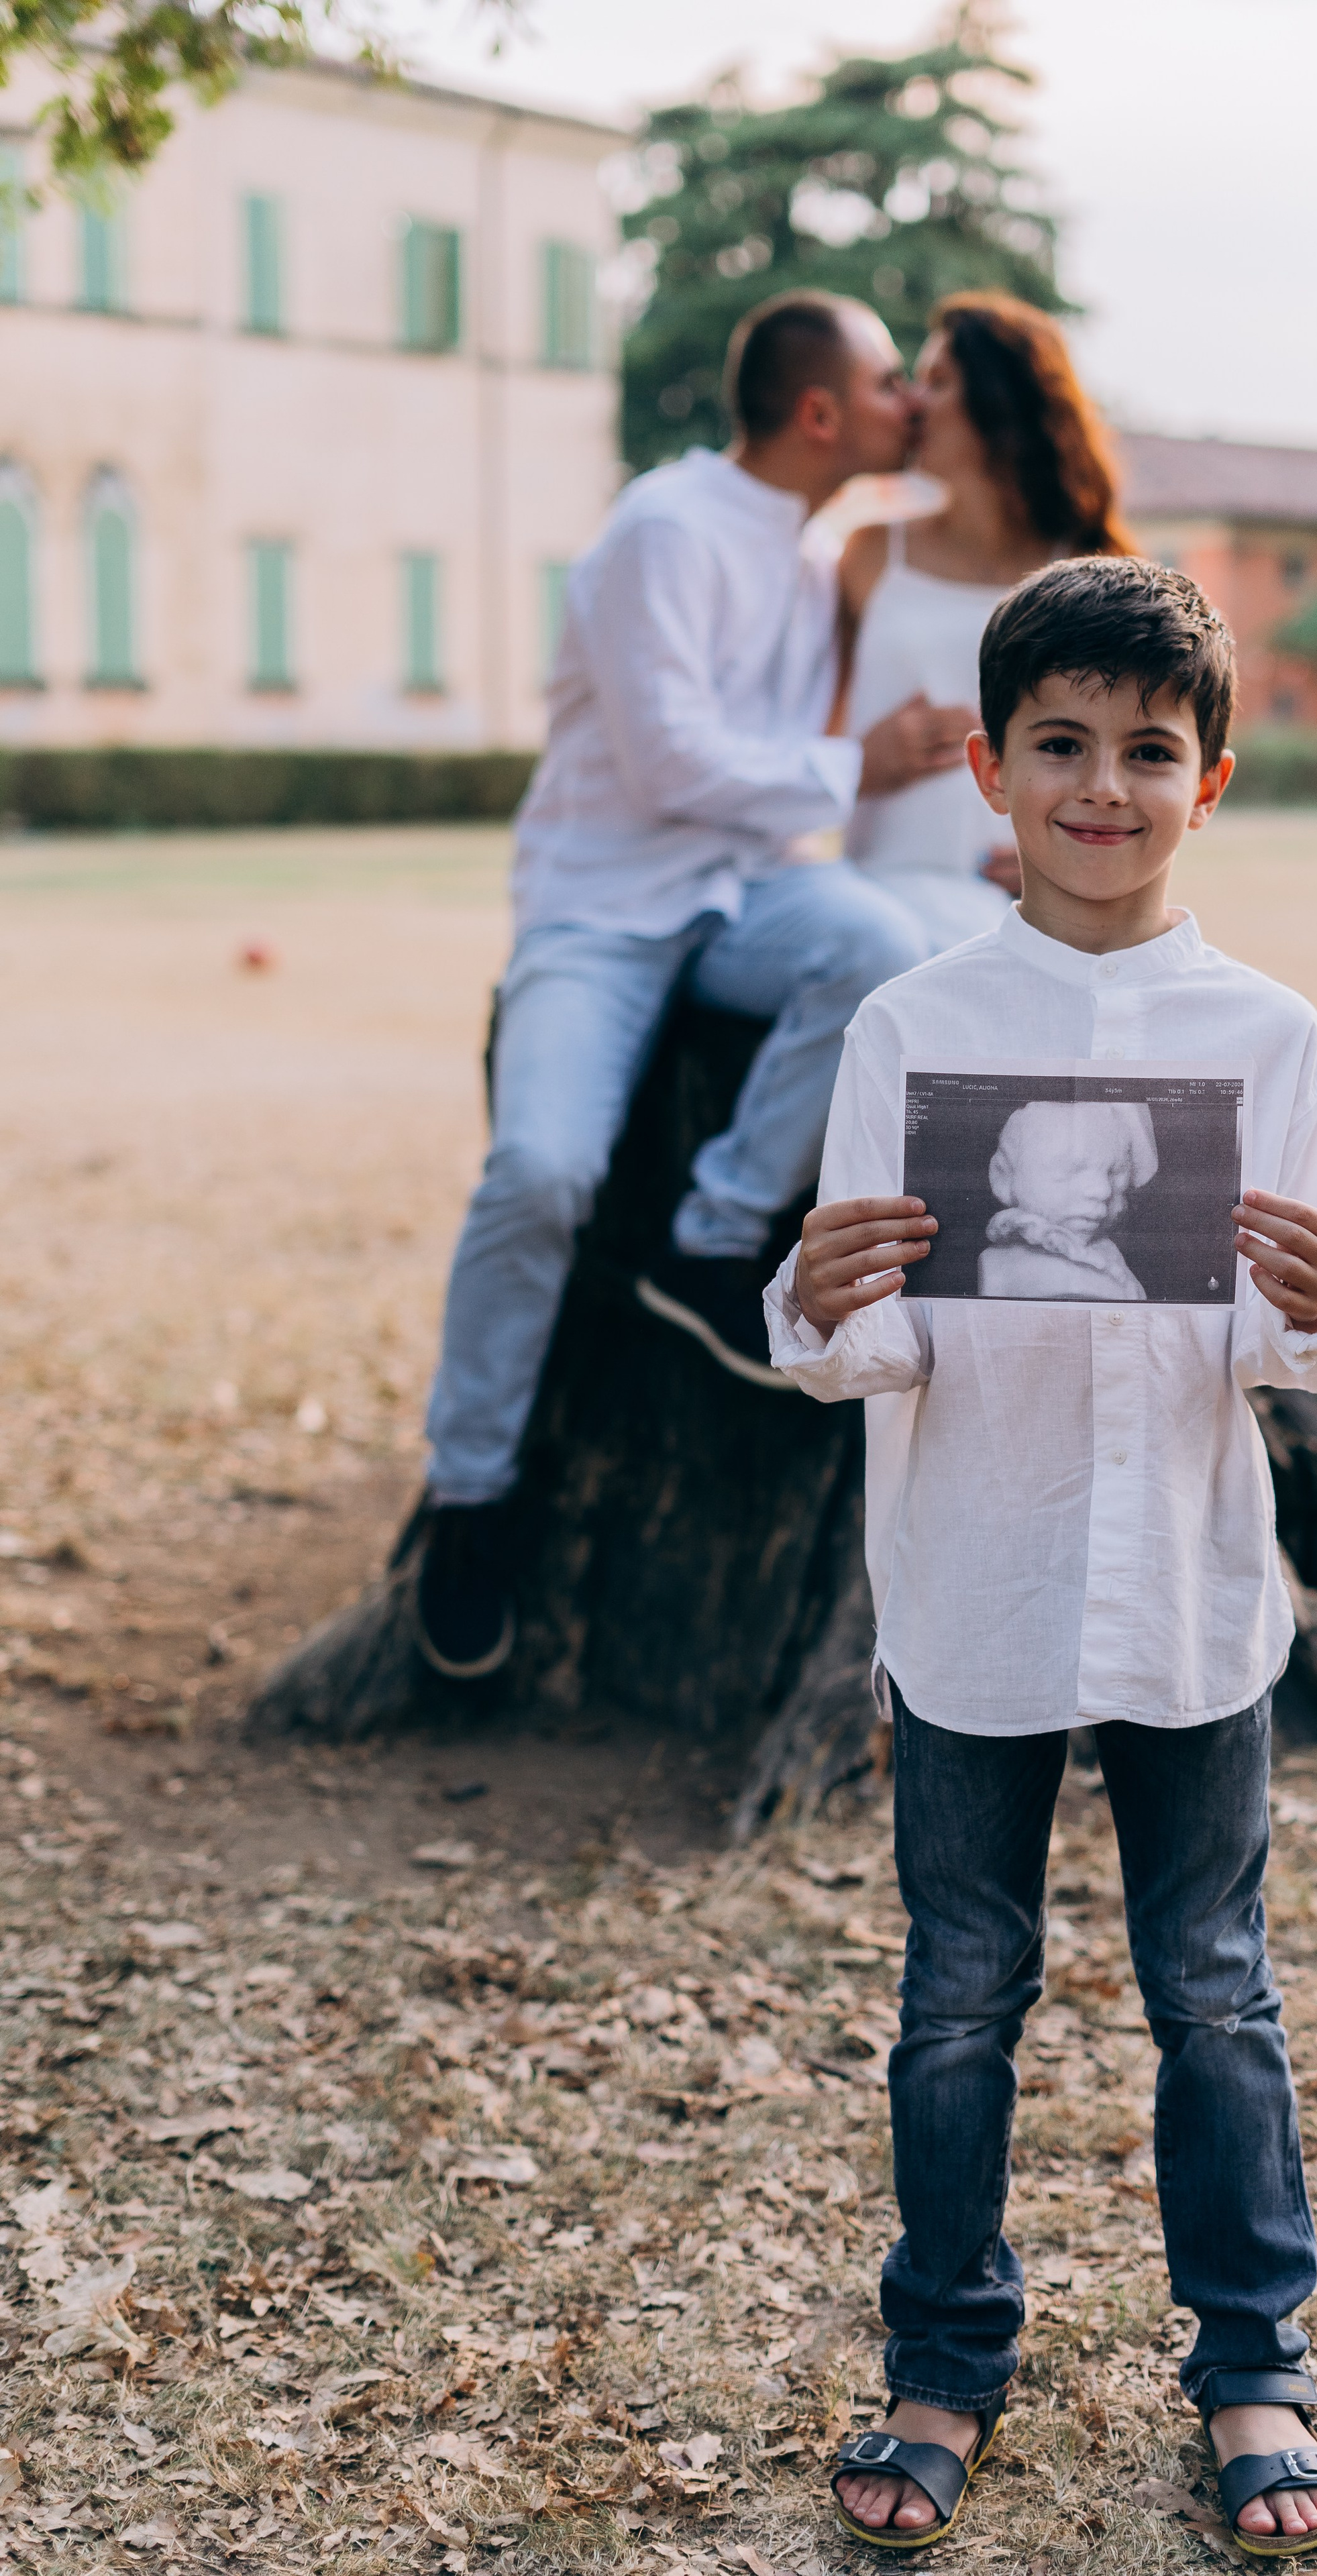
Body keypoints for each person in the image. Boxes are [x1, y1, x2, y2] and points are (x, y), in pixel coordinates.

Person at [766, 557, 1317, 2558]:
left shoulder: (1270, 1033)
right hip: (978, 1578)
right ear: (986, 768)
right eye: (1060, 744)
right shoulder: (912, 1027)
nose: (1101, 784)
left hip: (1192, 1588)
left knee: (1214, 1991)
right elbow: (852, 1339)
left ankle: (1254, 2364)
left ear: (1211, 779)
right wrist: (821, 1285)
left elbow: (1309, 1335)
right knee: (958, 1994)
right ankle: (941, 2353)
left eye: (1145, 748)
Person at [414, 290, 976, 1682]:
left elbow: (770, 787)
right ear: (819, 412)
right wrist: (868, 766)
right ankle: (466, 1494)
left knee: (879, 952)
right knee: (540, 1172)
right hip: (601, 910)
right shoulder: (663, 531)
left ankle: (713, 1238)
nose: (913, 401)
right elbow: (670, 764)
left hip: (743, 893)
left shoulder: (808, 549)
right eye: (894, 380)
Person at [837, 291, 1137, 953]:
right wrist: (862, 761)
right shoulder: (868, 553)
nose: (913, 401)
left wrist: (1079, 863)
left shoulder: (1093, 569)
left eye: (938, 381)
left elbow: (1137, 748)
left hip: (1026, 909)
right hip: (876, 894)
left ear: (1000, 402)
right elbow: (804, 726)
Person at [977, 1097, 1156, 1301]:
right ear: (1003, 1175)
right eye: (1072, 1171)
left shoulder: (1109, 1252)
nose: (1103, 1190)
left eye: (1113, 1174)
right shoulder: (1001, 1266)